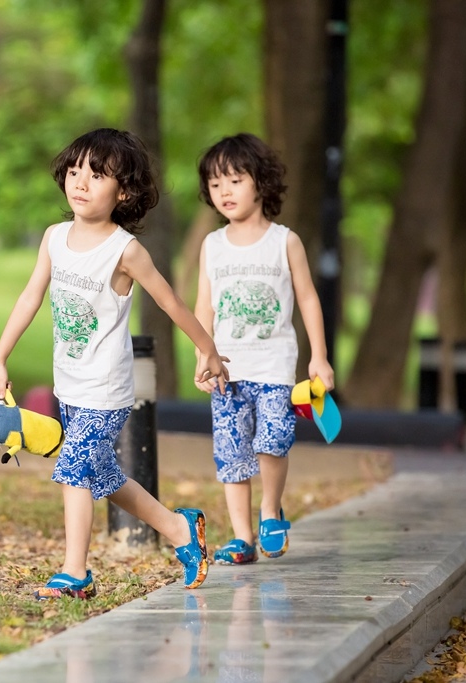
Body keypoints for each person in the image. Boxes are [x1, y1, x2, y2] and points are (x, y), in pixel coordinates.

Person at [0, 128, 230, 599]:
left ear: (123, 192)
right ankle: (181, 530)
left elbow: (172, 304)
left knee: (75, 470)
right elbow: (30, 296)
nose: (80, 182)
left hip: (106, 388)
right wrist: (1, 352)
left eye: (96, 175)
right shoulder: (55, 238)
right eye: (75, 170)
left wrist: (208, 350)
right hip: (70, 384)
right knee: (103, 476)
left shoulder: (125, 251)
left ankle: (75, 573)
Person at [193, 132, 335, 566]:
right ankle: (242, 538)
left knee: (273, 439)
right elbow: (205, 305)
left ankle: (271, 511)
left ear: (261, 182)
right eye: (216, 185)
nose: (225, 192)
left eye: (235, 180)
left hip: (274, 364)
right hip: (227, 369)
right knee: (232, 452)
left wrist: (319, 357)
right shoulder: (212, 245)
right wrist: (203, 354)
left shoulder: (284, 241)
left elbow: (309, 298)